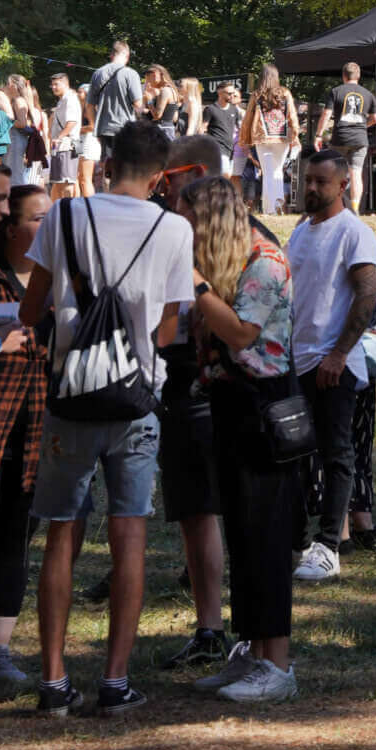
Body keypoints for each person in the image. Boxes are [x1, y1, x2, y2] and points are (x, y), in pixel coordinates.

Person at [20, 121, 195, 717]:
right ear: (160, 172)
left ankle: (53, 679)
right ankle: (116, 680)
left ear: (111, 160)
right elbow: (169, 330)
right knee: (131, 536)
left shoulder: (64, 217)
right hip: (135, 401)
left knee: (60, 533)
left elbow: (30, 305)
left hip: (70, 396)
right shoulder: (173, 228)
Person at [184, 178, 305, 704]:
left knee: (268, 538)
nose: (177, 225)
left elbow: (240, 334)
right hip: (234, 405)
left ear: (207, 218)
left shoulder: (264, 259)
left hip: (266, 409)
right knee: (243, 535)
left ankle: (277, 665)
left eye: (184, 215)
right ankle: (255, 654)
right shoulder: (227, 262)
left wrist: (196, 287)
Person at [149, 137, 234, 669]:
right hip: (213, 389)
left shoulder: (190, 243)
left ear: (198, 174)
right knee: (205, 513)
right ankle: (222, 627)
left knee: (203, 511)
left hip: (199, 388)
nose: (165, 190)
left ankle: (215, 628)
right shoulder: (249, 233)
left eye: (172, 179)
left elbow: (167, 329)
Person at [284, 150, 376, 582]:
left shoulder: (354, 232)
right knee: (295, 455)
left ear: (343, 185)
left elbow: (367, 296)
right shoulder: (300, 233)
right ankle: (299, 540)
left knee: (337, 453)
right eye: (308, 180)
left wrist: (339, 354)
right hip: (297, 361)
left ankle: (328, 546)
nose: (311, 188)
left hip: (334, 365)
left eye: (321, 182)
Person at [0, 183, 50, 703]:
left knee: (14, 537)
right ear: (12, 229)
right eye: (37, 218)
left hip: (33, 436)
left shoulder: (57, 288)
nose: (46, 227)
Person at [315, 61, 375, 212]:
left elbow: (326, 114)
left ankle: (333, 205)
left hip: (340, 137)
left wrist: (318, 135)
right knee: (356, 172)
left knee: (334, 172)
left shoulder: (335, 91)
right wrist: (363, 126)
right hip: (360, 140)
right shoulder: (368, 94)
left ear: (343, 76)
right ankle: (354, 208)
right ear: (359, 76)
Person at [241, 67, 300, 215]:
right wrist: (295, 135)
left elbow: (248, 118)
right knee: (278, 171)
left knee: (267, 173)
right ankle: (278, 204)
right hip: (282, 138)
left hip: (263, 138)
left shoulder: (257, 95)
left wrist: (244, 139)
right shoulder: (285, 93)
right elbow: (292, 115)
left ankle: (269, 208)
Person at [86, 41, 142, 151]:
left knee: (108, 165)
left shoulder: (97, 73)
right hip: (125, 129)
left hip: (104, 129)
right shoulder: (131, 74)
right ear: (127, 56)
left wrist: (94, 127)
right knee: (125, 165)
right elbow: (138, 104)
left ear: (112, 55)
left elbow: (89, 106)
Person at [47, 72, 82, 191]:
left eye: (56, 84)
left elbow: (72, 122)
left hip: (67, 145)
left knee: (68, 182)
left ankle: (69, 209)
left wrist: (59, 138)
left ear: (65, 84)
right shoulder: (62, 100)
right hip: (60, 145)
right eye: (52, 85)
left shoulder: (70, 99)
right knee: (59, 182)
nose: (53, 87)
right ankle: (61, 208)